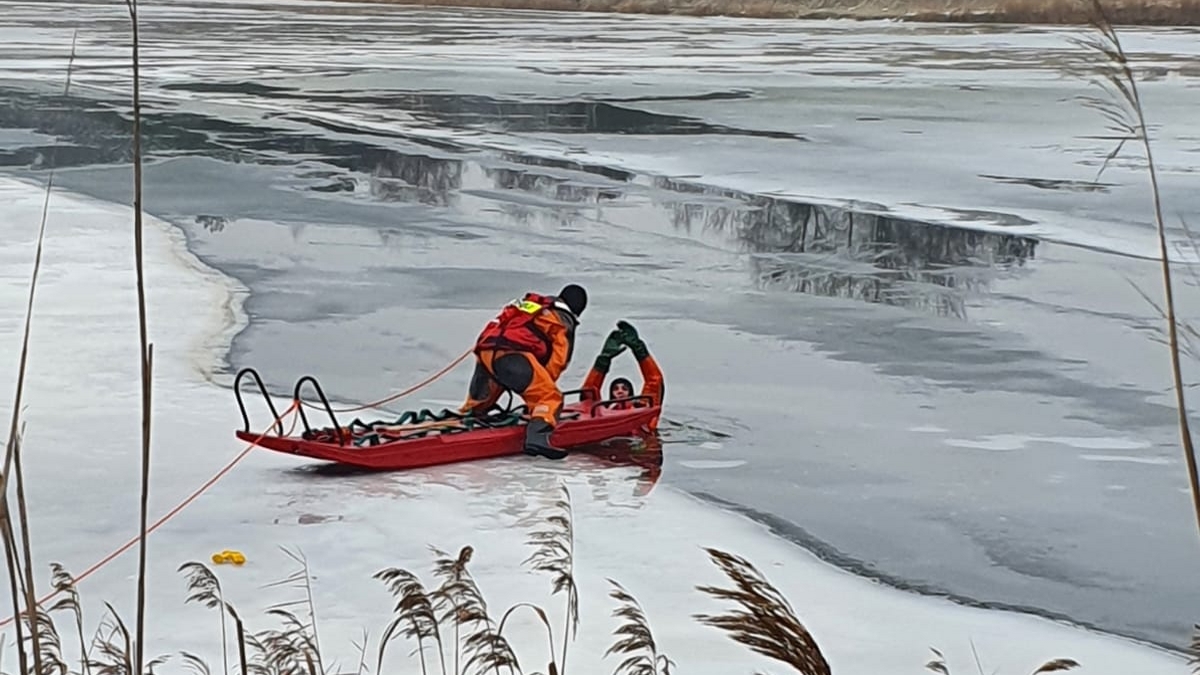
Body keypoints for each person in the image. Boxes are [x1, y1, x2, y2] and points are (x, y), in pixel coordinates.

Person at [460, 284, 588, 460]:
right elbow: (559, 360)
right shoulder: (563, 318)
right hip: (514, 356)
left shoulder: (532, 305)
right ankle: (537, 438)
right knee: (550, 397)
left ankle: (467, 416)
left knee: (481, 401)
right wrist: (539, 396)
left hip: (487, 351)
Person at [581, 320, 664, 430]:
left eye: (624, 388)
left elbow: (654, 382)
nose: (620, 391)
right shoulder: (600, 412)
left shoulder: (642, 410)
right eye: (616, 389)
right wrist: (603, 360)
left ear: (631, 393)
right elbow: (588, 394)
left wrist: (639, 350)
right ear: (611, 393)